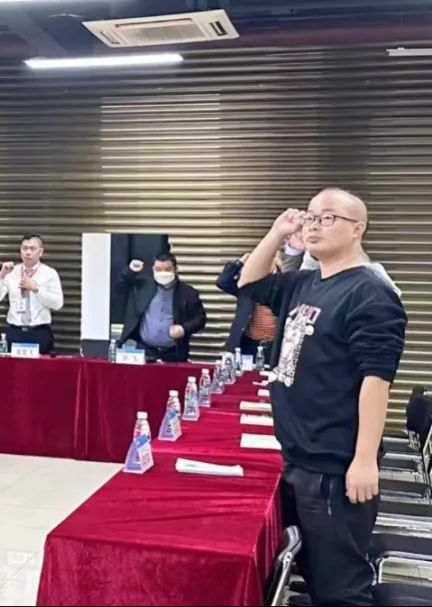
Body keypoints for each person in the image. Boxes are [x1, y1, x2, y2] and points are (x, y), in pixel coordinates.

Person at [238, 188, 407, 605]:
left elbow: (376, 380)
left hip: (334, 466)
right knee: (314, 579)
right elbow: (249, 283)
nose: (314, 225)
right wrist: (277, 233)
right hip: (299, 456)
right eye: (311, 217)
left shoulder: (371, 292)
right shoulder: (305, 282)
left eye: (327, 218)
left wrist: (364, 459)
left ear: (358, 228)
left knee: (340, 590)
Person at [116, 253, 206, 363]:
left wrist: (184, 329)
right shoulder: (143, 287)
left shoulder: (188, 292)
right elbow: (119, 289)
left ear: (175, 269)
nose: (163, 273)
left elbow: (200, 319)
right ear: (153, 269)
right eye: (158, 269)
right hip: (144, 350)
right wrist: (130, 271)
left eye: (167, 269)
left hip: (173, 352)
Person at [0, 234, 63, 354]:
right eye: (25, 248)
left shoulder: (50, 273)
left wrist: (36, 289)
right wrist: (1, 275)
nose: (28, 252)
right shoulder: (11, 272)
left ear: (41, 252)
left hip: (39, 332)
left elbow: (58, 303)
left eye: (32, 249)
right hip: (15, 331)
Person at [216, 248, 291, 361]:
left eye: (270, 258)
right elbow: (223, 281)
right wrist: (241, 262)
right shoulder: (247, 285)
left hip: (274, 346)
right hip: (247, 343)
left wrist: (282, 266)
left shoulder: (285, 284)